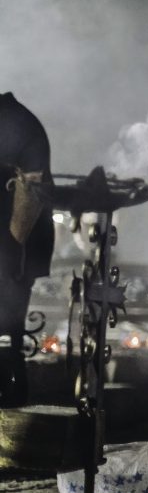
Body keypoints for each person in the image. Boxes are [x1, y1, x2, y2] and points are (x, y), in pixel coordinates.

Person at [0, 93, 54, 408]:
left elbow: (32, 187)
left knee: (9, 328)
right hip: (11, 247)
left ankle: (11, 395)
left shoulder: (18, 123)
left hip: (16, 245)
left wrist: (13, 250)